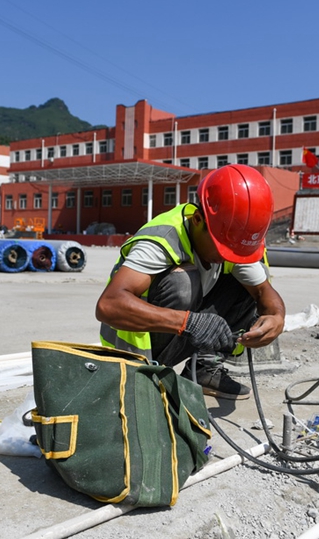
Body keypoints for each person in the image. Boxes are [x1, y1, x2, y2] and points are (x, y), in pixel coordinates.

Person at [96, 164, 286, 400]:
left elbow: (264, 292)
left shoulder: (233, 239)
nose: (228, 257)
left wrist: (277, 317)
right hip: (132, 348)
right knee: (183, 283)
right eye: (223, 249)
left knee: (246, 288)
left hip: (176, 330)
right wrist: (189, 323)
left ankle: (204, 369)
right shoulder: (163, 238)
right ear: (197, 219)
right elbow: (108, 306)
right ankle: (150, 375)